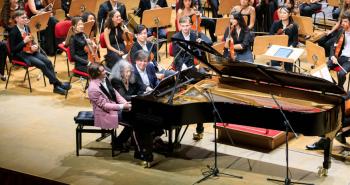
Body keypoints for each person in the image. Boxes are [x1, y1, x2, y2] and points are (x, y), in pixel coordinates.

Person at [9, 10, 70, 95]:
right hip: (21, 55)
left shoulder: (27, 27)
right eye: (23, 17)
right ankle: (59, 84)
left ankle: (56, 87)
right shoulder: (13, 32)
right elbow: (13, 50)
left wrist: (35, 46)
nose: (25, 19)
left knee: (48, 62)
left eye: (25, 17)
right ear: (16, 19)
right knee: (42, 65)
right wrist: (23, 42)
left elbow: (31, 40)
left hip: (31, 51)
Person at [87, 63, 132, 152]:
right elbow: (105, 106)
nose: (105, 72)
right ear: (96, 74)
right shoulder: (93, 88)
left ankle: (126, 140)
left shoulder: (105, 78)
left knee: (135, 116)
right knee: (133, 120)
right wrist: (123, 106)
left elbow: (114, 92)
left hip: (114, 107)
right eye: (103, 71)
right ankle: (118, 142)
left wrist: (124, 102)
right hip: (105, 113)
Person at [269, 6, 298, 71]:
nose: (282, 15)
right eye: (281, 13)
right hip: (277, 47)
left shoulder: (294, 26)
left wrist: (290, 47)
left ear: (289, 14)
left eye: (284, 13)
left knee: (288, 63)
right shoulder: (275, 23)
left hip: (289, 47)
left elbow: (295, 41)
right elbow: (270, 36)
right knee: (274, 61)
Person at [327, 10, 350, 89]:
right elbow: (332, 46)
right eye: (342, 21)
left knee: (341, 74)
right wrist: (332, 56)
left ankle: (340, 87)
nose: (343, 23)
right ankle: (334, 86)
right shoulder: (341, 31)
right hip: (341, 57)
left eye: (345, 21)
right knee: (324, 69)